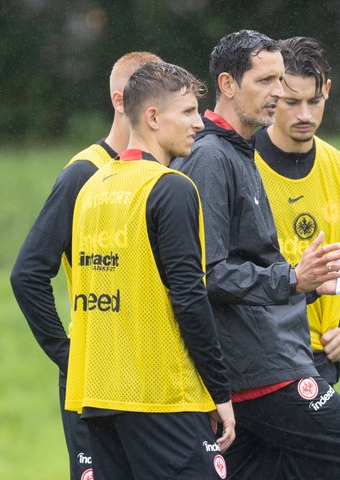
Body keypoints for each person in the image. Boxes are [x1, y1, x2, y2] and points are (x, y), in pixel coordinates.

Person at [171, 29, 340, 479]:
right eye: (266, 81)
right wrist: (294, 279)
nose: (278, 92)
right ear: (228, 85)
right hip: (262, 372)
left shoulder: (238, 151)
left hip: (268, 362)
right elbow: (207, 276)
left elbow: (249, 266)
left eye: (280, 80)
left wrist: (309, 287)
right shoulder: (212, 158)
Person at [65, 60, 235, 480]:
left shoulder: (92, 188)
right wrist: (220, 391)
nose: (199, 123)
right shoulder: (170, 188)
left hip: (99, 395)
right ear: (153, 117)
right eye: (188, 112)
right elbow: (190, 298)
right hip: (160, 397)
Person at [10, 51, 161, 480]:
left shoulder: (167, 173)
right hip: (94, 380)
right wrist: (68, 355)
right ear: (120, 101)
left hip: (152, 376)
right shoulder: (82, 174)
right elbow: (28, 273)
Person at [254, 36, 340, 384]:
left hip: (318, 362)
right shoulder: (239, 163)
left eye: (313, 101)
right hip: (254, 359)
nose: (304, 114)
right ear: (272, 97)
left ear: (327, 90)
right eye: (291, 102)